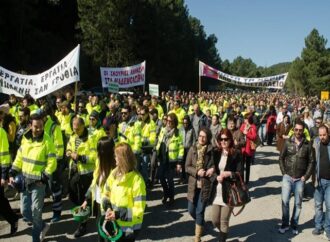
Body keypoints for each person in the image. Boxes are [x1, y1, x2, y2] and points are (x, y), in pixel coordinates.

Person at [9, 113, 56, 242]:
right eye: (36, 126)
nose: (39, 129)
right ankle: (43, 226)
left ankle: (36, 239)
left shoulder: (47, 140)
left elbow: (52, 161)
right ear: (30, 125)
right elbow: (20, 156)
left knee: (36, 213)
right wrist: (13, 171)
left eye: (41, 126)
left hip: (38, 183)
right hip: (25, 181)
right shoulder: (25, 138)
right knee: (25, 212)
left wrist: (45, 175)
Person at [102, 143, 146, 242]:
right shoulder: (114, 173)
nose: (114, 159)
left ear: (123, 159)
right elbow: (105, 193)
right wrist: (108, 207)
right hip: (114, 225)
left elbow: (139, 210)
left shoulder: (137, 181)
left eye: (116, 156)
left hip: (128, 231)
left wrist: (118, 214)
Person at [278, 120, 314, 235]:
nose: (298, 132)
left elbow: (312, 162)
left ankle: (294, 225)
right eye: (296, 129)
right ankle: (285, 224)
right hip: (288, 177)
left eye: (300, 130)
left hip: (300, 179)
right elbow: (281, 158)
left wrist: (306, 176)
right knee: (285, 201)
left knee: (298, 204)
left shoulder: (308, 145)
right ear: (293, 129)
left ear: (303, 131)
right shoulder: (288, 143)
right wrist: (284, 172)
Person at [66, 117, 97, 238]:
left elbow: (95, 157)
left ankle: (82, 225)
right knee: (72, 196)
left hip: (86, 174)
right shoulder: (73, 136)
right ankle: (88, 211)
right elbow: (69, 146)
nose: (76, 130)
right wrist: (69, 152)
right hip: (74, 172)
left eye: (78, 128)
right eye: (74, 128)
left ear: (83, 126)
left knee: (82, 200)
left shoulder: (91, 138)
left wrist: (80, 157)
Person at [211, 129, 243, 242]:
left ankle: (222, 238)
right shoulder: (216, 152)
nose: (223, 141)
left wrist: (228, 173)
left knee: (224, 221)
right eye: (221, 139)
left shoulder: (236, 154)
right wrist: (215, 174)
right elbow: (213, 170)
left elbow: (240, 174)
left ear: (230, 140)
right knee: (214, 220)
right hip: (216, 192)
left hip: (229, 192)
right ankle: (223, 233)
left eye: (226, 139)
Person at [82, 137, 116, 242]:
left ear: (104, 152)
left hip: (108, 209)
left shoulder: (115, 170)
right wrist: (87, 199)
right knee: (100, 234)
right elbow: (94, 182)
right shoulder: (99, 162)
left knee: (108, 236)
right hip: (98, 205)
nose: (97, 153)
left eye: (98, 150)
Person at [185, 127, 215, 242]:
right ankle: (201, 223)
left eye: (204, 136)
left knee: (200, 211)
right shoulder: (192, 149)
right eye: (200, 136)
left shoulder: (211, 150)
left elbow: (214, 165)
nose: (202, 138)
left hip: (205, 185)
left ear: (208, 138)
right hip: (193, 185)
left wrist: (211, 169)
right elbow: (187, 167)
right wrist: (197, 171)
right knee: (191, 210)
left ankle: (197, 237)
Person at [156, 113, 184, 205]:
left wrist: (179, 162)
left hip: (172, 160)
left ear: (174, 122)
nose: (168, 123)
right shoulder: (163, 130)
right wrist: (157, 152)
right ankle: (166, 193)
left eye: (170, 121)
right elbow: (159, 142)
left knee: (170, 179)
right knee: (160, 177)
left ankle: (171, 196)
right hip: (163, 158)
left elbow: (181, 148)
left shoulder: (177, 133)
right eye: (167, 120)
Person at [312, 125, 330, 238]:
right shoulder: (316, 143)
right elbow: (311, 159)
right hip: (318, 180)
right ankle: (318, 226)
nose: (322, 137)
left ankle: (327, 228)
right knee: (318, 205)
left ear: (328, 133)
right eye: (320, 135)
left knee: (329, 206)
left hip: (329, 182)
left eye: (324, 135)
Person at [0, 125, 19, 235]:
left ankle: (13, 219)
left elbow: (4, 155)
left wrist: (3, 175)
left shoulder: (1, 132)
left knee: (0, 201)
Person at [240, 114, 257, 184]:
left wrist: (247, 133)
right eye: (245, 119)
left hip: (249, 149)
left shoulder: (253, 126)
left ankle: (247, 181)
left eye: (247, 119)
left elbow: (254, 137)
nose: (245, 121)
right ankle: (241, 180)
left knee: (247, 166)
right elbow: (240, 133)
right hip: (242, 148)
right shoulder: (243, 125)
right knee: (241, 166)